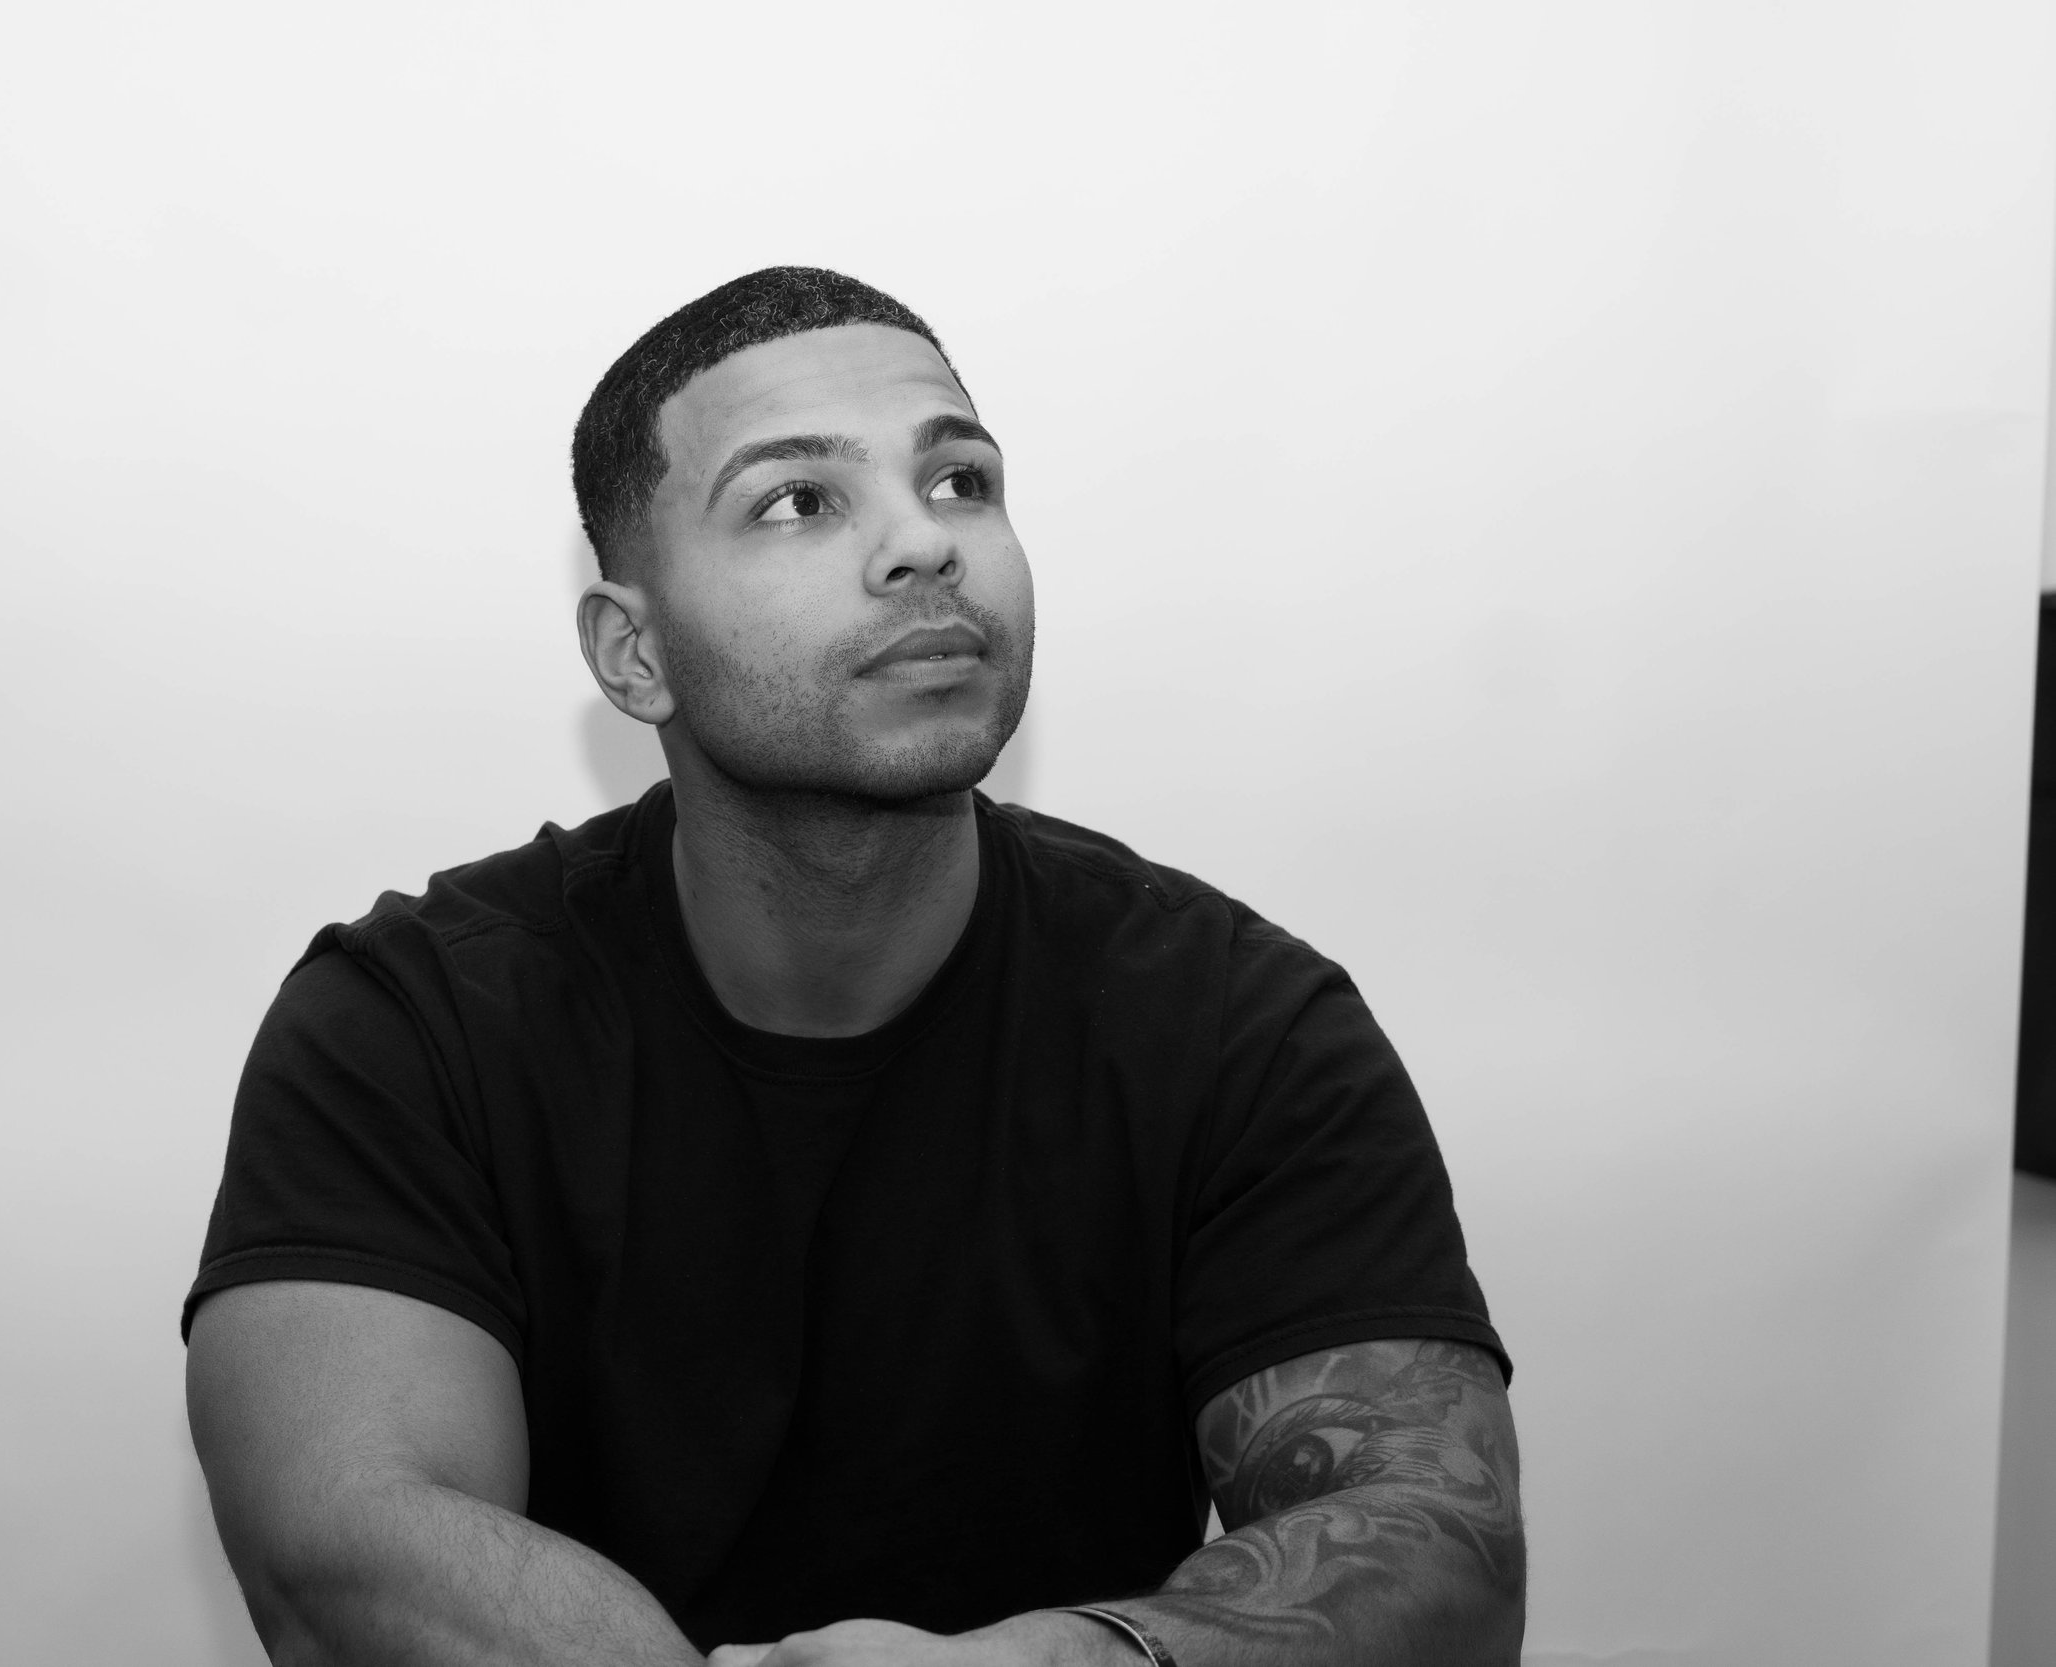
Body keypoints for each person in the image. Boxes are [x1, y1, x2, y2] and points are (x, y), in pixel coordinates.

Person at [182, 267, 1523, 1666]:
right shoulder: (412, 1026)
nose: (923, 543)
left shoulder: (1242, 1025)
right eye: (798, 501)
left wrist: (1059, 1666)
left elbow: (1438, 1545)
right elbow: (353, 1541)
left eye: (961, 482)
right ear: (634, 653)